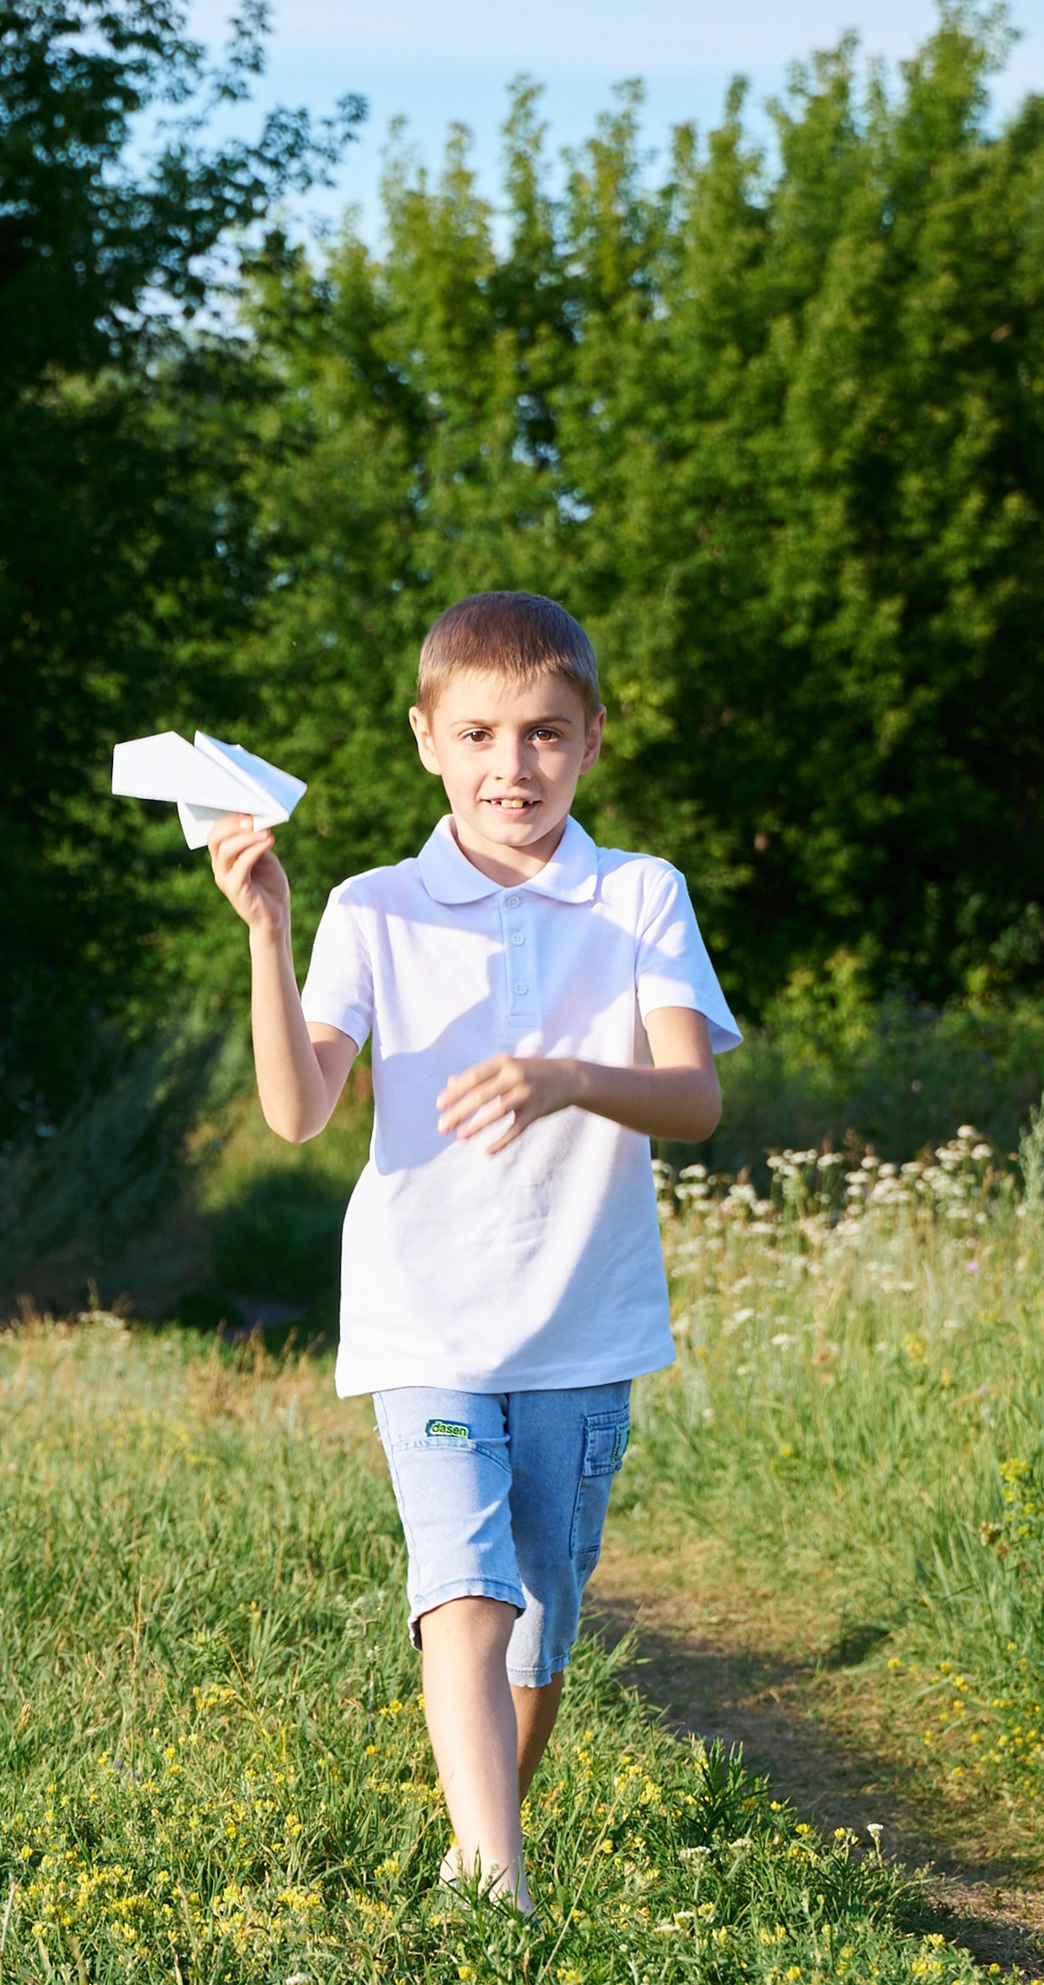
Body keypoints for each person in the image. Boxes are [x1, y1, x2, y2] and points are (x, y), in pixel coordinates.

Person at [210, 592, 737, 1913]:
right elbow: (296, 1109)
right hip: (424, 1320)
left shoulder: (639, 896)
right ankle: (500, 1891)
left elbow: (695, 1101)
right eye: (483, 733)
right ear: (427, 740)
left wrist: (566, 1076)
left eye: (546, 734)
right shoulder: (373, 908)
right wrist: (268, 933)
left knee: (543, 1611)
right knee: (466, 1592)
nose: (515, 765)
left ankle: (475, 1835)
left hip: (582, 1319)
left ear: (593, 741)